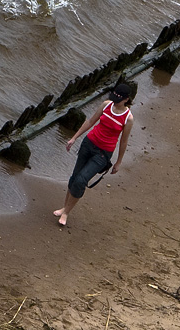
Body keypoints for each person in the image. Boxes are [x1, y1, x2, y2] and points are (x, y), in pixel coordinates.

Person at [53, 81, 134, 226]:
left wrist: (118, 162)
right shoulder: (106, 105)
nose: (115, 101)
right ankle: (64, 207)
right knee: (74, 178)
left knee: (81, 180)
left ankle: (66, 213)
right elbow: (90, 122)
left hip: (103, 153)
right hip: (88, 144)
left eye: (119, 99)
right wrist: (73, 138)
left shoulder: (128, 118)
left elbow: (123, 142)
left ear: (126, 99)